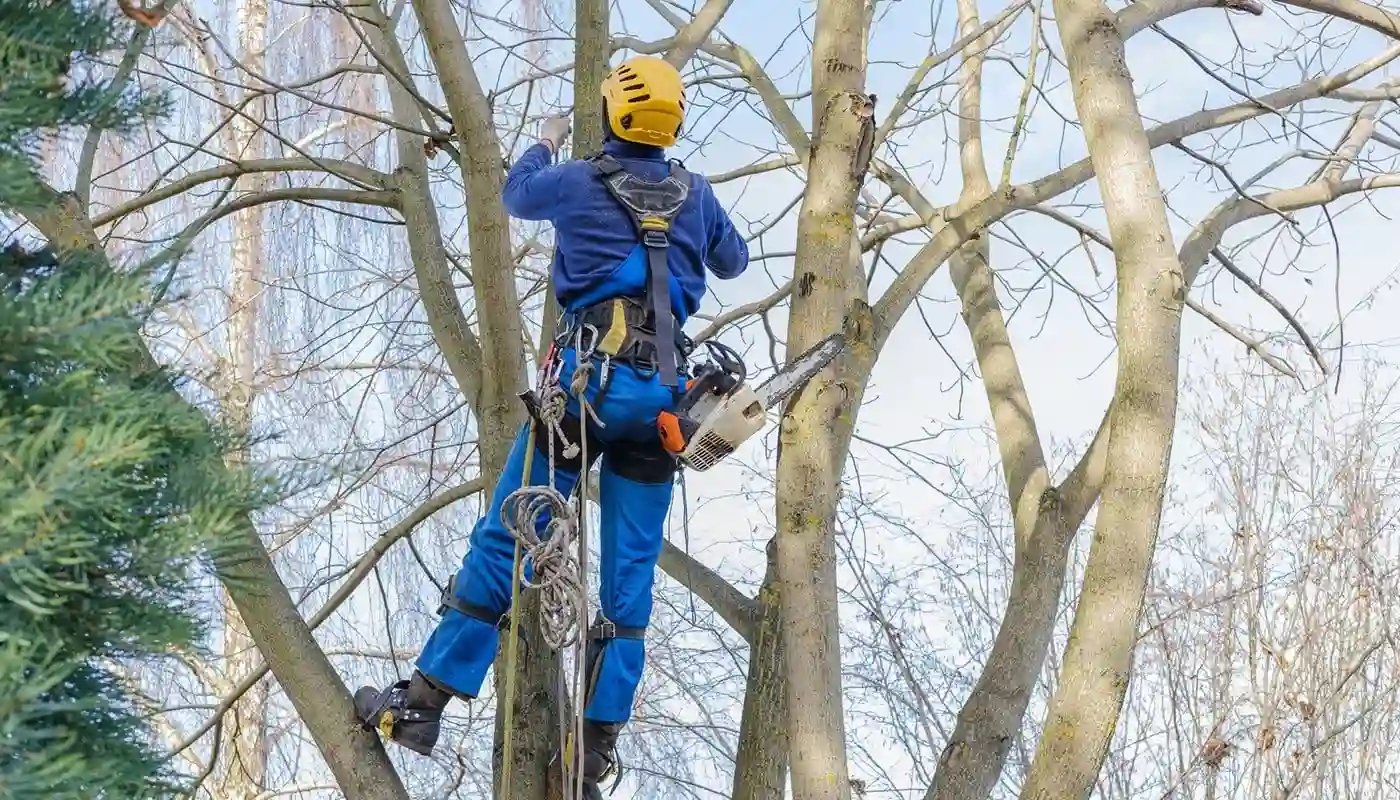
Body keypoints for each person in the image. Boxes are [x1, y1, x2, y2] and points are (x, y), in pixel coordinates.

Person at [354, 55, 749, 789]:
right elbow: (735, 261)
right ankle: (596, 744)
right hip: (663, 403)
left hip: (586, 388)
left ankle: (423, 703)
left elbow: (515, 194)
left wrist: (544, 139)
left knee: (511, 533)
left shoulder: (576, 181)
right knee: (629, 575)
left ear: (611, 115)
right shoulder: (698, 197)